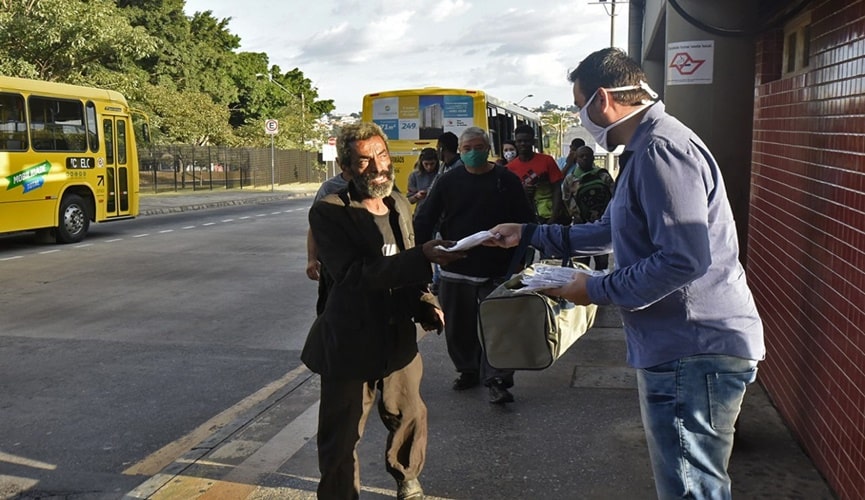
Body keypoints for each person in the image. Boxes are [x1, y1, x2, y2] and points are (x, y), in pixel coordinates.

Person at [486, 48, 765, 500]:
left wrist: (595, 288)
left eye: (579, 105)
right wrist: (530, 233)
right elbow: (612, 231)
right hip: (685, 347)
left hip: (690, 349)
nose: (582, 118)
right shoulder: (648, 148)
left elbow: (683, 259)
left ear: (601, 99)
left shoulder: (662, 150)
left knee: (691, 490)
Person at [302, 122, 466, 500]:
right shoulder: (328, 212)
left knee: (410, 415)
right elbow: (352, 275)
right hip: (349, 341)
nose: (377, 168)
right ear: (344, 169)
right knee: (340, 436)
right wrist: (422, 258)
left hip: (397, 336)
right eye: (363, 162)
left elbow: (407, 259)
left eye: (381, 156)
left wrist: (426, 302)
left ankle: (407, 478)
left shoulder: (400, 203)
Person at [413, 126, 534, 404]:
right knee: (458, 326)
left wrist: (521, 258)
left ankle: (497, 379)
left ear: (488, 149)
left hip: (498, 268)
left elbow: (527, 221)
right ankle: (468, 370)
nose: (471, 153)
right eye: (466, 149)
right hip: (457, 266)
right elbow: (425, 218)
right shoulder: (447, 182)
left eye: (477, 148)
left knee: (498, 326)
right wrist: (421, 253)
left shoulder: (506, 180)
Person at [306, 166, 352, 314]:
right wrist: (312, 259)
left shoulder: (377, 185)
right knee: (330, 311)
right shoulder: (329, 188)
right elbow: (315, 226)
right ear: (340, 162)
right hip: (333, 265)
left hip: (366, 264)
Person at [561, 145, 614, 269]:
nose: (585, 158)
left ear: (593, 158)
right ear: (576, 159)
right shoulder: (570, 179)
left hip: (602, 225)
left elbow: (614, 197)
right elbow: (566, 200)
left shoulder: (603, 176)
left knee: (602, 263)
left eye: (588, 156)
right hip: (580, 225)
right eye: (581, 156)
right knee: (581, 264)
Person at [506, 124, 566, 224]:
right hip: (524, 218)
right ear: (515, 143)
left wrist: (554, 217)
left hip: (548, 217)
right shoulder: (509, 168)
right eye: (519, 141)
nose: (523, 144)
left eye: (527, 141)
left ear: (533, 142)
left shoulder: (547, 161)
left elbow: (557, 190)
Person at [406, 147, 438, 215]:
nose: (429, 167)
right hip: (421, 212)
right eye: (426, 164)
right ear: (421, 162)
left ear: (437, 162)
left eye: (432, 164)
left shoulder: (441, 173)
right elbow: (409, 200)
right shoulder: (414, 175)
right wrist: (417, 196)